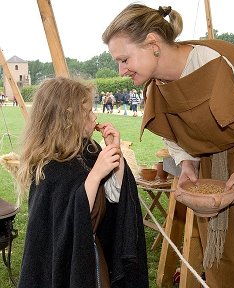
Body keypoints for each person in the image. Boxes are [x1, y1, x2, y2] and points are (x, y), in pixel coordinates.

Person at [102, 4, 234, 288]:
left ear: (153, 42)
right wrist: (187, 163)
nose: (121, 69)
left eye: (124, 59)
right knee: (223, 255)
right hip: (214, 168)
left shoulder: (219, 61)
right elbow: (173, 133)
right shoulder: (155, 86)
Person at [17, 76, 149, 288]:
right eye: (87, 112)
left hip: (92, 256)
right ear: (67, 119)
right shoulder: (48, 167)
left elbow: (113, 197)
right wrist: (96, 175)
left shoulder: (89, 150)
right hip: (66, 264)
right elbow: (70, 220)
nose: (94, 116)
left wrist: (114, 155)